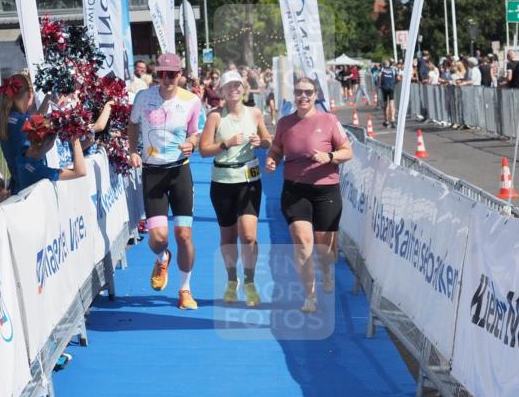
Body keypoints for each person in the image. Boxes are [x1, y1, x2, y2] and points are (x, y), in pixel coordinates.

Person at [265, 76, 353, 314]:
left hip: (326, 189)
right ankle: (310, 295)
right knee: (303, 242)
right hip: (295, 189)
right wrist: (272, 159)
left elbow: (348, 151)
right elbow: (276, 148)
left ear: (316, 95)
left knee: (325, 249)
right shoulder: (284, 123)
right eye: (298, 92)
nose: (303, 96)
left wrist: (330, 157)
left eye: (308, 92)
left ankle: (325, 271)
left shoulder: (329, 120)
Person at [128, 53, 204, 310]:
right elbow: (132, 124)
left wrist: (191, 144)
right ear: (156, 74)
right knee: (158, 238)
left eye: (172, 74)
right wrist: (132, 150)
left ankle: (185, 289)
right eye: (162, 74)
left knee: (183, 234)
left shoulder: (191, 101)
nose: (167, 79)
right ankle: (162, 257)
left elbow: (195, 132)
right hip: (153, 173)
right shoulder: (144, 97)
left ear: (180, 75)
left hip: (179, 172)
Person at [199, 70, 272, 307]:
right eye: (228, 85)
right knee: (228, 237)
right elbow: (204, 150)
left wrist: (261, 143)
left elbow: (268, 140)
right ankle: (232, 280)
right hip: (222, 181)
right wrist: (225, 144)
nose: (234, 89)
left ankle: (250, 282)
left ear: (243, 88)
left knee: (249, 236)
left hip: (249, 180)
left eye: (237, 85)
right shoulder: (215, 117)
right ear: (221, 90)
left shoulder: (255, 113)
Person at [15, 113, 87, 191]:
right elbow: (80, 172)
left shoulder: (22, 151)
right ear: (47, 143)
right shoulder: (40, 171)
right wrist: (75, 141)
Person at [0, 73, 34, 193]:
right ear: (28, 95)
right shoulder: (22, 121)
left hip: (17, 183)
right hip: (31, 183)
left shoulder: (1, 117)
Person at [378, 59, 398, 128]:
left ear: (383, 64)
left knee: (386, 104)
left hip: (384, 87)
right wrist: (394, 83)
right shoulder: (393, 69)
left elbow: (379, 75)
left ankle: (386, 120)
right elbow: (398, 78)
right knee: (392, 103)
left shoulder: (382, 69)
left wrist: (379, 84)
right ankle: (393, 119)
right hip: (391, 87)